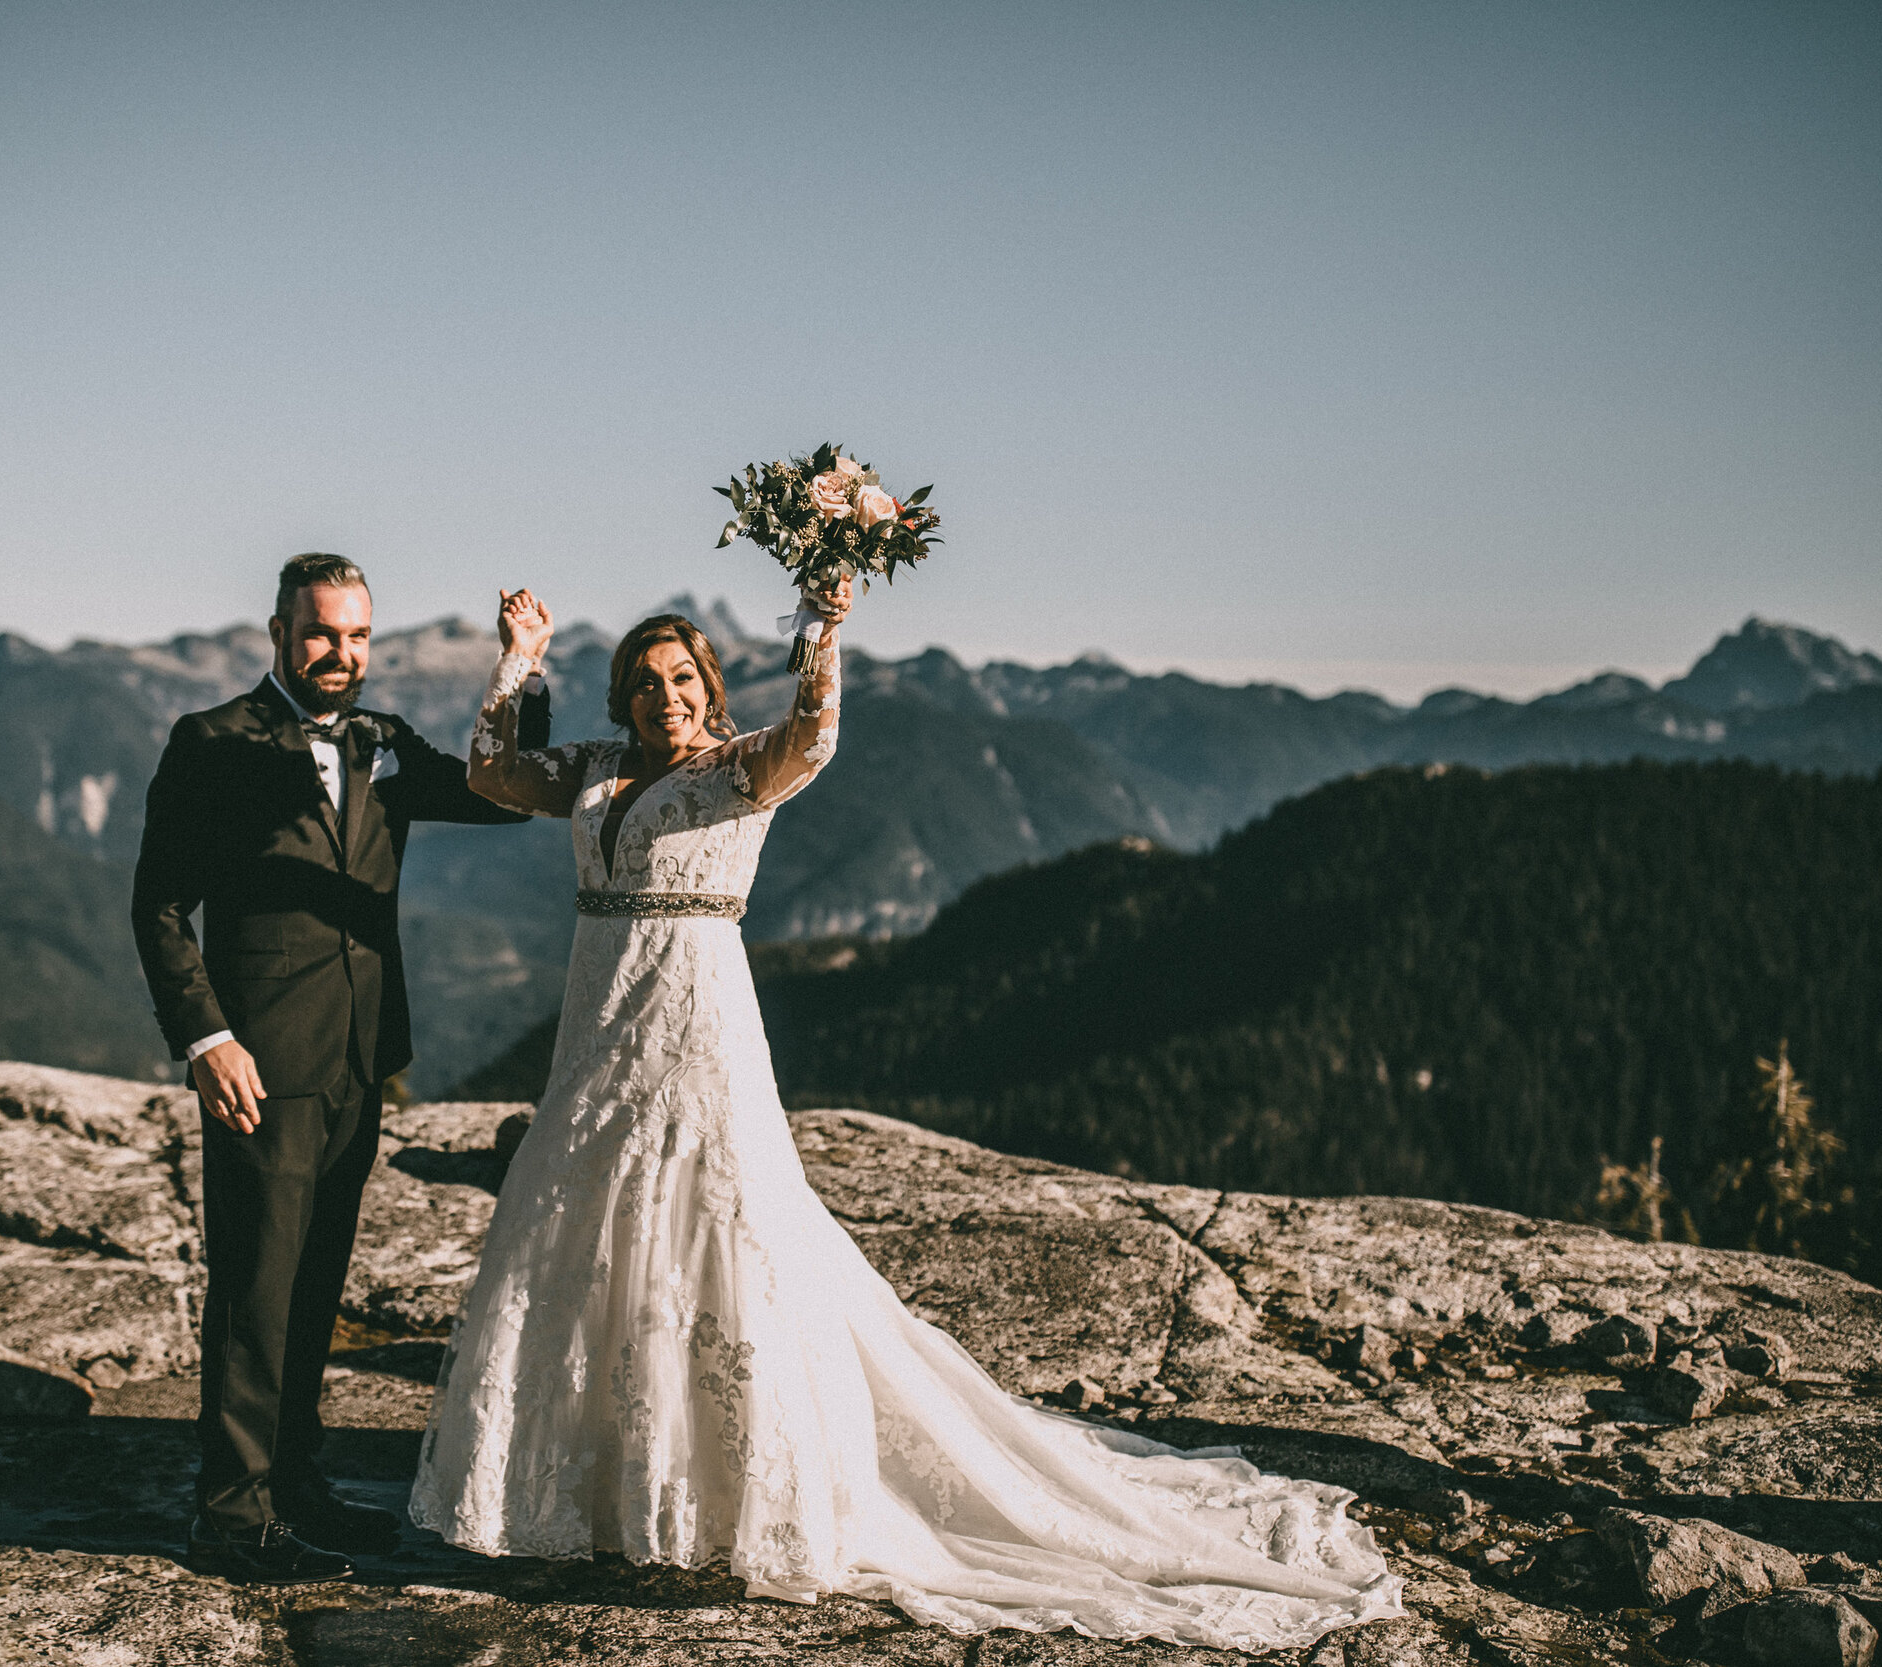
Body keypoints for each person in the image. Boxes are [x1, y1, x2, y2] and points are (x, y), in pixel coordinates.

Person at [408, 581, 1404, 1644]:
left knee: (709, 1224)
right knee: (588, 1223)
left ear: (709, 685)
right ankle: (594, 1481)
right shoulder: (598, 771)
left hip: (694, 1021)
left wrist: (820, 636)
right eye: (646, 682)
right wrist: (519, 657)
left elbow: (816, 738)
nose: (664, 696)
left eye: (683, 678)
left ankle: (708, 1494)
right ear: (624, 692)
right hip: (597, 1025)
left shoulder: (738, 767)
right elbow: (490, 772)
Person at [131, 552, 546, 1585]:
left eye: (358, 636)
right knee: (255, 1285)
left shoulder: (382, 741)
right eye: (322, 633)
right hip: (259, 1062)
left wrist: (522, 671)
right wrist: (207, 1038)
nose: (341, 654)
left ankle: (295, 1482)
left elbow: (504, 795)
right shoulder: (213, 742)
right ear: (278, 630)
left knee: (315, 1282)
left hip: (362, 1058)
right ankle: (229, 1514)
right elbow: (157, 904)